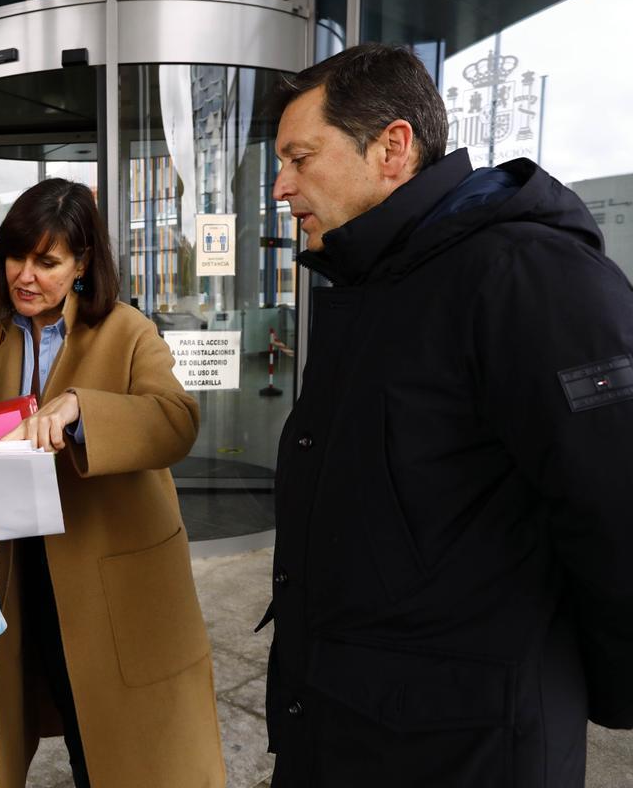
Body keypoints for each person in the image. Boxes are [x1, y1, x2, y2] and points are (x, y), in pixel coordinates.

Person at [263, 43, 633, 787]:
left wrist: (596, 690)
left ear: (392, 147)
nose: (280, 186)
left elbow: (618, 506)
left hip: (464, 749)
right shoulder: (376, 281)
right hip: (349, 727)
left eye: (301, 157)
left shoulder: (528, 276)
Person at [0, 178, 226, 788]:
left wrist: (82, 407)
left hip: (116, 581)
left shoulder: (127, 330)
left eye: (46, 261)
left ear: (82, 264)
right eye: (15, 256)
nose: (24, 275)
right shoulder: (0, 339)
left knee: (126, 740)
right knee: (73, 719)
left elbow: (177, 420)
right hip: (31, 578)